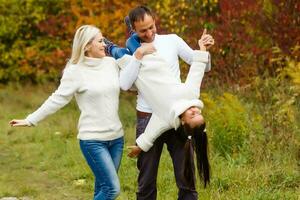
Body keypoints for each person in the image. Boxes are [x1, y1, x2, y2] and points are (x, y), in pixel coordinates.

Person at [108, 5, 213, 199]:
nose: (149, 33)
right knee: (146, 179)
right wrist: (139, 55)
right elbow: (126, 84)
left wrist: (204, 49)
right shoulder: (190, 95)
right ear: (135, 29)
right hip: (146, 115)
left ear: (155, 22)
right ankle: (112, 47)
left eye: (151, 27)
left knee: (186, 177)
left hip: (170, 123)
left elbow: (201, 66)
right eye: (143, 30)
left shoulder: (172, 41)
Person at [9, 25, 124, 200]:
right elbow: (58, 99)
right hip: (93, 140)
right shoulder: (75, 71)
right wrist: (31, 119)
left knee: (102, 187)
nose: (105, 44)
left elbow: (132, 74)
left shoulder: (111, 64)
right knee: (112, 189)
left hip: (117, 138)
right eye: (100, 41)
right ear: (86, 46)